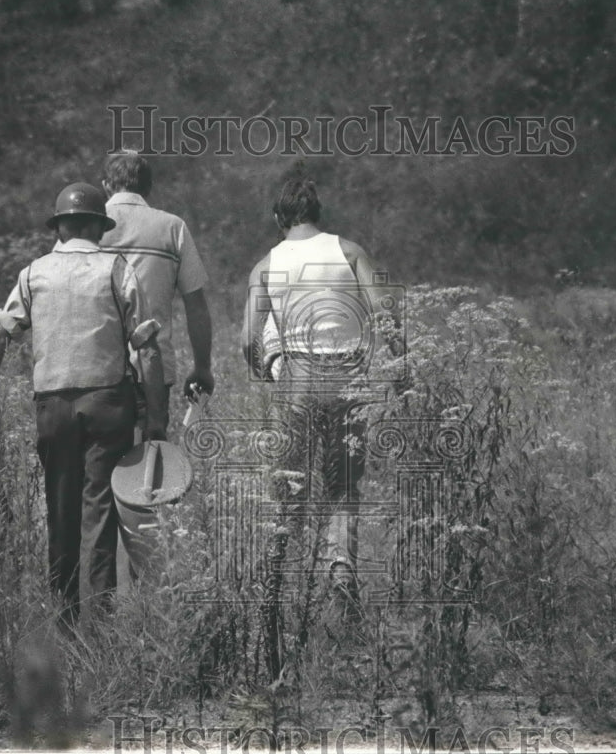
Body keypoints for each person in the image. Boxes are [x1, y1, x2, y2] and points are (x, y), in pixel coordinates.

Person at [0, 182, 169, 628]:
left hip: (53, 406)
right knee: (99, 510)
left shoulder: (33, 273)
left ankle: (63, 620)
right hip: (108, 404)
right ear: (100, 228)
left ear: (60, 226)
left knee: (59, 507)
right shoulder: (117, 269)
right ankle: (98, 625)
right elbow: (148, 349)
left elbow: (0, 338)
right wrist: (156, 419)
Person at [241, 178, 404, 651]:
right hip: (349, 379)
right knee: (343, 486)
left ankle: (278, 584)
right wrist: (402, 370)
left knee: (289, 484)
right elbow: (386, 314)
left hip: (297, 378)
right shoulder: (349, 251)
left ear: (278, 218)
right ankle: (341, 583)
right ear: (319, 214)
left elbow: (247, 337)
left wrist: (268, 373)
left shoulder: (266, 264)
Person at [99, 152, 214, 434]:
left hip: (94, 369)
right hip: (153, 370)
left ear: (106, 186)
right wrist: (202, 367)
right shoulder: (172, 227)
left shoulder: (86, 225)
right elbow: (195, 304)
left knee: (96, 467)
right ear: (149, 188)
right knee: (149, 466)